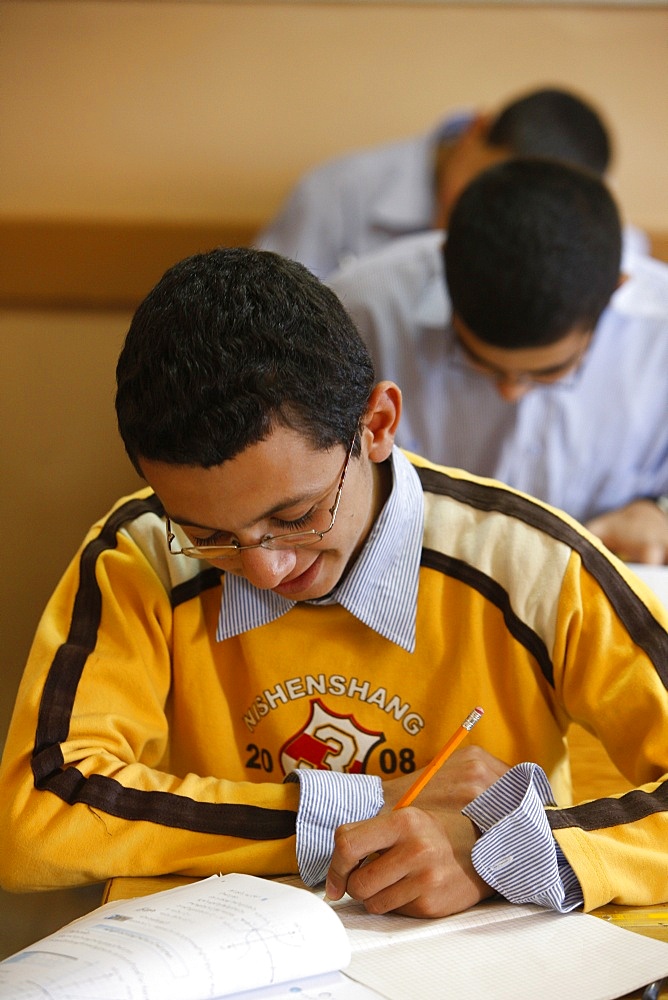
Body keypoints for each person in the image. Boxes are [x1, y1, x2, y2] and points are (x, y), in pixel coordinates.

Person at [0, 248, 667, 922]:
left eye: (295, 516)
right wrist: (359, 809)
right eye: (208, 535)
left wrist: (500, 857)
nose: (266, 570)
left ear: (376, 426)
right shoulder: (139, 557)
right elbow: (37, 816)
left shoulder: (530, 565)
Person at [328, 159, 668, 566]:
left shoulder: (659, 331)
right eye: (478, 361)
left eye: (547, 372)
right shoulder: (358, 311)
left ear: (616, 290)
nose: (511, 391)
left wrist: (660, 511)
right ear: (444, 265)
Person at [256, 85, 648, 279]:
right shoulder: (337, 191)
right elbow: (261, 326)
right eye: (485, 184)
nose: (481, 212)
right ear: (475, 130)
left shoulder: (603, 239)